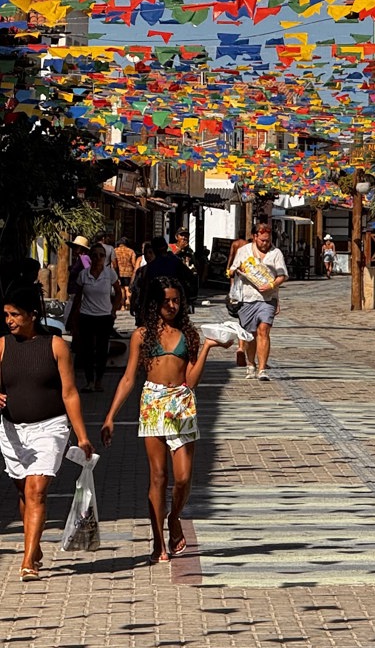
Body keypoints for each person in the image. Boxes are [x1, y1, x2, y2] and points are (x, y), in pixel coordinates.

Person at [101, 276, 228, 564]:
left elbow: (192, 381)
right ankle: (158, 541)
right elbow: (129, 378)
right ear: (154, 303)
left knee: (183, 478)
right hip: (153, 403)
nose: (171, 305)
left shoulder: (189, 334)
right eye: (165, 300)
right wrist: (110, 416)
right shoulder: (142, 335)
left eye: (175, 300)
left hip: (182, 402)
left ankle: (174, 517)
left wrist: (207, 347)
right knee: (158, 476)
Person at [0, 285, 94, 582]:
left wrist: (81, 435)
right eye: (6, 314)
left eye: (15, 314)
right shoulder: (1, 345)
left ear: (32, 315)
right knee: (23, 491)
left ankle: (28, 561)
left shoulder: (55, 346)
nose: (9, 320)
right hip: (12, 430)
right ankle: (34, 544)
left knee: (36, 489)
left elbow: (69, 393)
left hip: (50, 427)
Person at [229, 224, 288, 381]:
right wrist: (238, 270)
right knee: (251, 334)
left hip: (268, 298)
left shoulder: (276, 253)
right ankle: (251, 364)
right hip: (247, 298)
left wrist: (271, 285)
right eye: (262, 240)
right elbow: (232, 270)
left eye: (268, 241)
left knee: (264, 330)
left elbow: (282, 275)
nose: (265, 243)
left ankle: (262, 369)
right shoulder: (243, 251)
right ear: (255, 237)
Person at [68, 243, 122, 393]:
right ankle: (89, 381)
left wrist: (114, 310)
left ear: (105, 257)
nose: (98, 258)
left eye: (101, 255)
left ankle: (99, 380)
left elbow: (118, 293)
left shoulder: (110, 274)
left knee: (102, 350)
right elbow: (78, 298)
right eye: (95, 255)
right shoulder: (83, 275)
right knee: (87, 350)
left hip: (104, 317)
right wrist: (73, 318)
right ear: (90, 257)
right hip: (86, 316)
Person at [227, 233, 249, 367]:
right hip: (248, 283)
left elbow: (230, 256)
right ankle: (255, 356)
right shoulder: (248, 246)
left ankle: (241, 347)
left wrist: (228, 267)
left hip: (236, 278)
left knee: (242, 320)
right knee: (255, 325)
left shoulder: (235, 244)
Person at [130, 242, 156, 326]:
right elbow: (135, 288)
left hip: (154, 306)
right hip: (141, 305)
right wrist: (132, 304)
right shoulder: (140, 271)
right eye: (146, 253)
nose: (148, 255)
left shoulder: (159, 271)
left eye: (150, 253)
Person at [115, 237, 137, 310]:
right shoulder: (131, 251)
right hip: (129, 272)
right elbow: (134, 263)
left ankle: (122, 306)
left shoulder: (115, 251)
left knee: (121, 289)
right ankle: (128, 301)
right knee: (128, 288)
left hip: (119, 272)